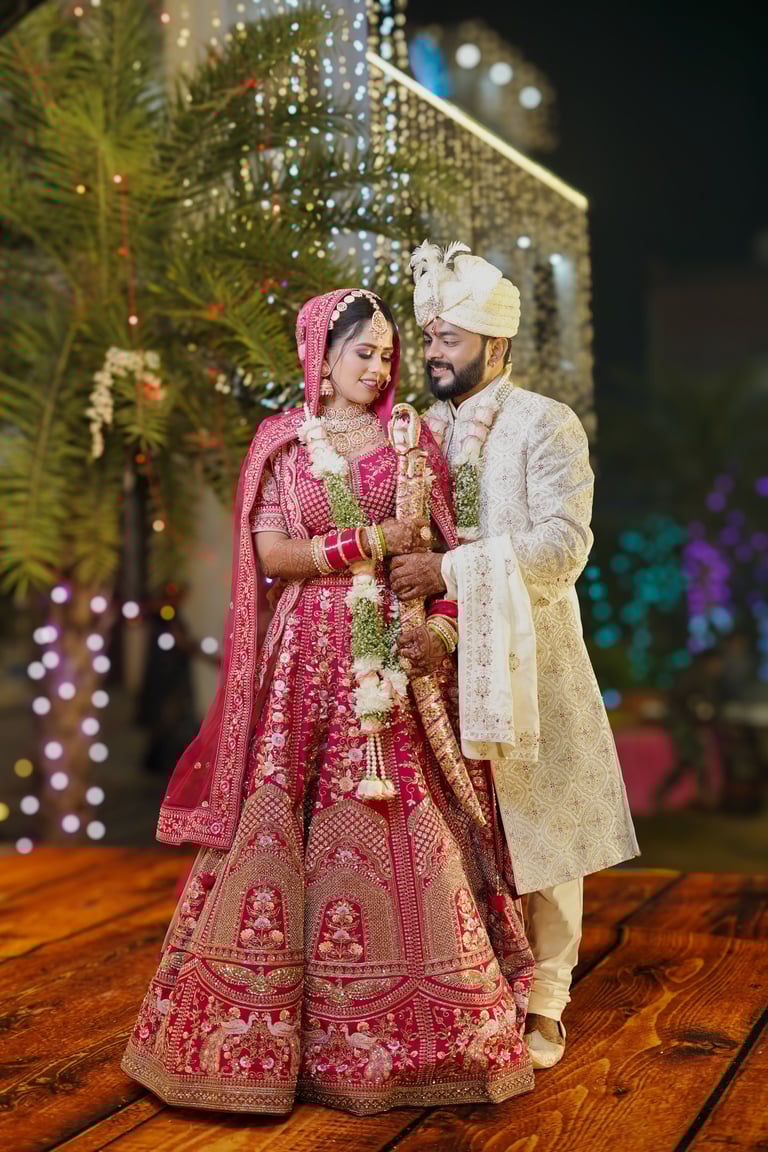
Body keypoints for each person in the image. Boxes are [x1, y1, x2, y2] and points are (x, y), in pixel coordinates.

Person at [121, 288, 536, 1115]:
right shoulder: (283, 440)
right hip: (305, 660)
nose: (378, 368)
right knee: (281, 817)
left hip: (390, 658)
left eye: (387, 354)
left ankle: (423, 1032)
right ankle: (263, 1042)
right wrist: (367, 541)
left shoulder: (410, 439)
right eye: (362, 353)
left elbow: (446, 549)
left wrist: (440, 628)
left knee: (407, 817)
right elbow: (272, 552)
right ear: (321, 354)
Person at [390, 243, 640, 1069]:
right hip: (439, 661)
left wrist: (451, 571)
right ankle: (475, 985)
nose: (434, 354)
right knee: (463, 827)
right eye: (430, 338)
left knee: (544, 825)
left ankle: (549, 1001)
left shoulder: (545, 423)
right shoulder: (419, 433)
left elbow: (565, 547)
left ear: (496, 345)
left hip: (533, 656)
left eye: (451, 340)